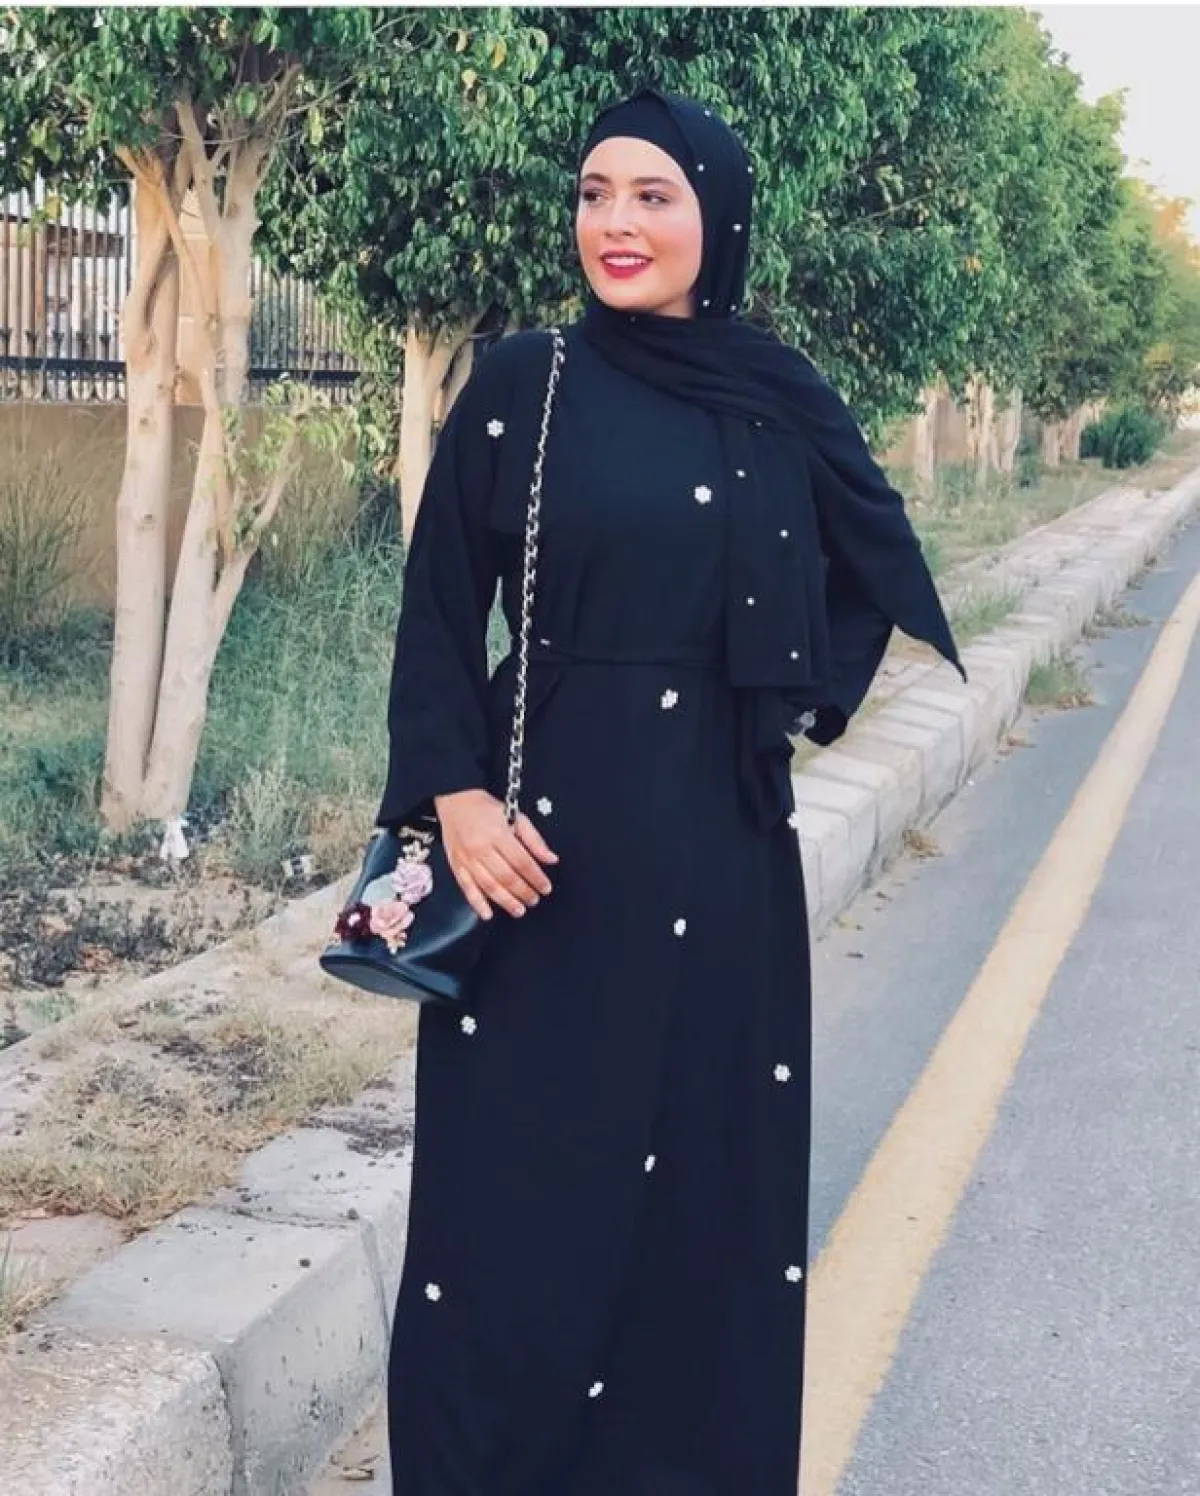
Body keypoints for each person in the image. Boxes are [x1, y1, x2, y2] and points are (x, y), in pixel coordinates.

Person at [376, 88, 963, 1496]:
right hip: (539, 857)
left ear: (719, 216)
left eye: (654, 195)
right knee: (515, 1200)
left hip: (717, 849)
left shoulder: (771, 395)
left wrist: (788, 704)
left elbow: (872, 558)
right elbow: (439, 607)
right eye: (595, 194)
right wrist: (456, 799)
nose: (616, 223)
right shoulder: (526, 384)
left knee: (701, 1196)